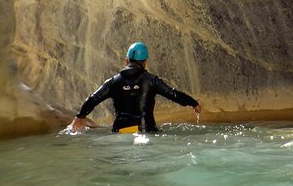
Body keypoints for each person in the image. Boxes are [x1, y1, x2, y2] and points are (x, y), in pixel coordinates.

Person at [69, 42, 201, 133]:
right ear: (145, 62)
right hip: (145, 130)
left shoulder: (113, 81)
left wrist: (80, 116)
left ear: (127, 60)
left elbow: (93, 99)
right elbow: (174, 94)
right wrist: (193, 103)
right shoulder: (151, 80)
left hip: (120, 130)